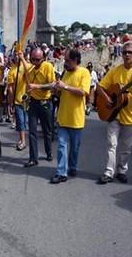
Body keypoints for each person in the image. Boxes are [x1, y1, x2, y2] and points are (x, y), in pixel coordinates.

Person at [30, 49, 90, 183]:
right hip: (63, 117)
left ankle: (72, 166)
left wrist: (65, 87)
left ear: (75, 60)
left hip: (76, 118)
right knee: (61, 145)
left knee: (74, 147)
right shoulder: (65, 73)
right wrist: (56, 89)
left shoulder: (84, 73)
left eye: (67, 60)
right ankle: (61, 172)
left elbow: (83, 92)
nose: (65, 63)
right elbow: (59, 94)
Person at [96, 41, 132, 184]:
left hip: (131, 115)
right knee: (111, 144)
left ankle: (122, 170)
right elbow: (100, 87)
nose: (127, 55)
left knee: (126, 148)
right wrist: (107, 99)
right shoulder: (115, 71)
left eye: (130, 52)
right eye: (124, 52)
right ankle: (109, 172)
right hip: (114, 114)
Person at [23, 47, 55, 167]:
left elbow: (52, 85)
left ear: (43, 59)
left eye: (37, 60)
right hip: (33, 102)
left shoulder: (48, 67)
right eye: (32, 60)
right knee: (32, 131)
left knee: (46, 130)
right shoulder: (30, 69)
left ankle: (49, 152)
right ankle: (33, 158)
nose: (35, 62)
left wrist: (36, 86)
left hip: (45, 102)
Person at [7, 51, 30, 151]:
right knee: (20, 120)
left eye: (18, 55)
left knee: (25, 120)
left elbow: (29, 71)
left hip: (26, 98)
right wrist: (11, 102)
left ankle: (22, 138)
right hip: (17, 100)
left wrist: (23, 59)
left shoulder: (27, 65)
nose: (17, 57)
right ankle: (23, 141)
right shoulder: (12, 70)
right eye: (15, 55)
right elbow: (10, 88)